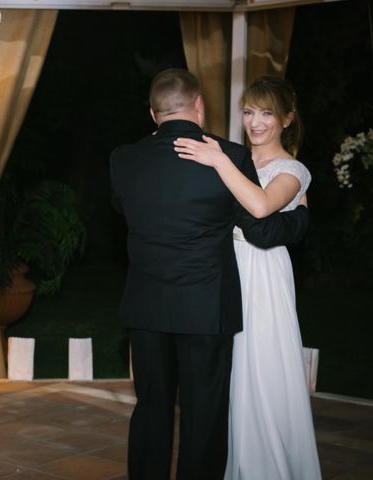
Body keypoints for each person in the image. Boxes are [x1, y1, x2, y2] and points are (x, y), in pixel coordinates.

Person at [109, 68, 311, 480]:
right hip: (205, 307)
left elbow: (121, 210)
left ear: (153, 113)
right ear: (199, 105)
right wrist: (301, 220)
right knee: (204, 416)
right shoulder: (229, 157)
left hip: (146, 307)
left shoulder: (123, 158)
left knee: (151, 410)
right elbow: (260, 226)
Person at [174, 75, 322, 480]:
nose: (255, 122)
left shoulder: (293, 169)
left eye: (267, 113)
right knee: (227, 370)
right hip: (223, 266)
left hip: (264, 272)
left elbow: (259, 207)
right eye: (249, 111)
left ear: (288, 119)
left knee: (261, 364)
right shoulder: (235, 156)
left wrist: (219, 159)